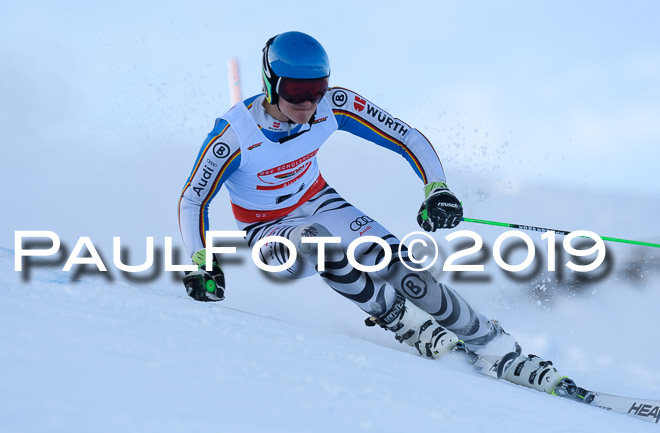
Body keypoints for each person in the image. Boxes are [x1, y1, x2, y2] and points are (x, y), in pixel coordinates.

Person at [178, 31, 562, 393]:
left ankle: (496, 347)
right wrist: (202, 262)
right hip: (268, 229)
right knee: (315, 242)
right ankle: (402, 320)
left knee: (406, 268)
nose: (309, 102)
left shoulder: (334, 105)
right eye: (296, 91)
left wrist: (436, 189)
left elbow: (405, 137)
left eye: (316, 89)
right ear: (270, 83)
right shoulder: (234, 135)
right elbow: (194, 199)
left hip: (319, 201)